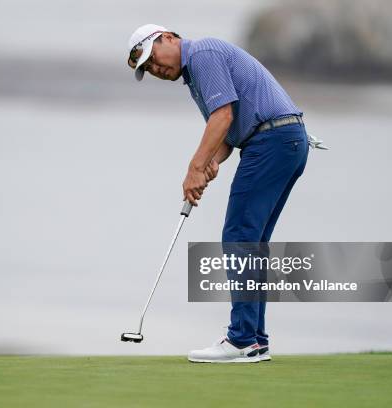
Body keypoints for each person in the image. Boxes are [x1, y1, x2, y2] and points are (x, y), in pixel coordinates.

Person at [127, 24, 311, 363]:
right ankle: (255, 339)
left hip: (271, 142)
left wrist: (195, 167)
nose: (155, 69)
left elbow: (222, 116)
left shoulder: (202, 54)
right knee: (252, 242)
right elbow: (226, 133)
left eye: (152, 59)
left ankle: (241, 339)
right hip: (285, 141)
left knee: (239, 236)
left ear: (168, 38)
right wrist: (211, 162)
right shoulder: (196, 74)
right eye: (148, 70)